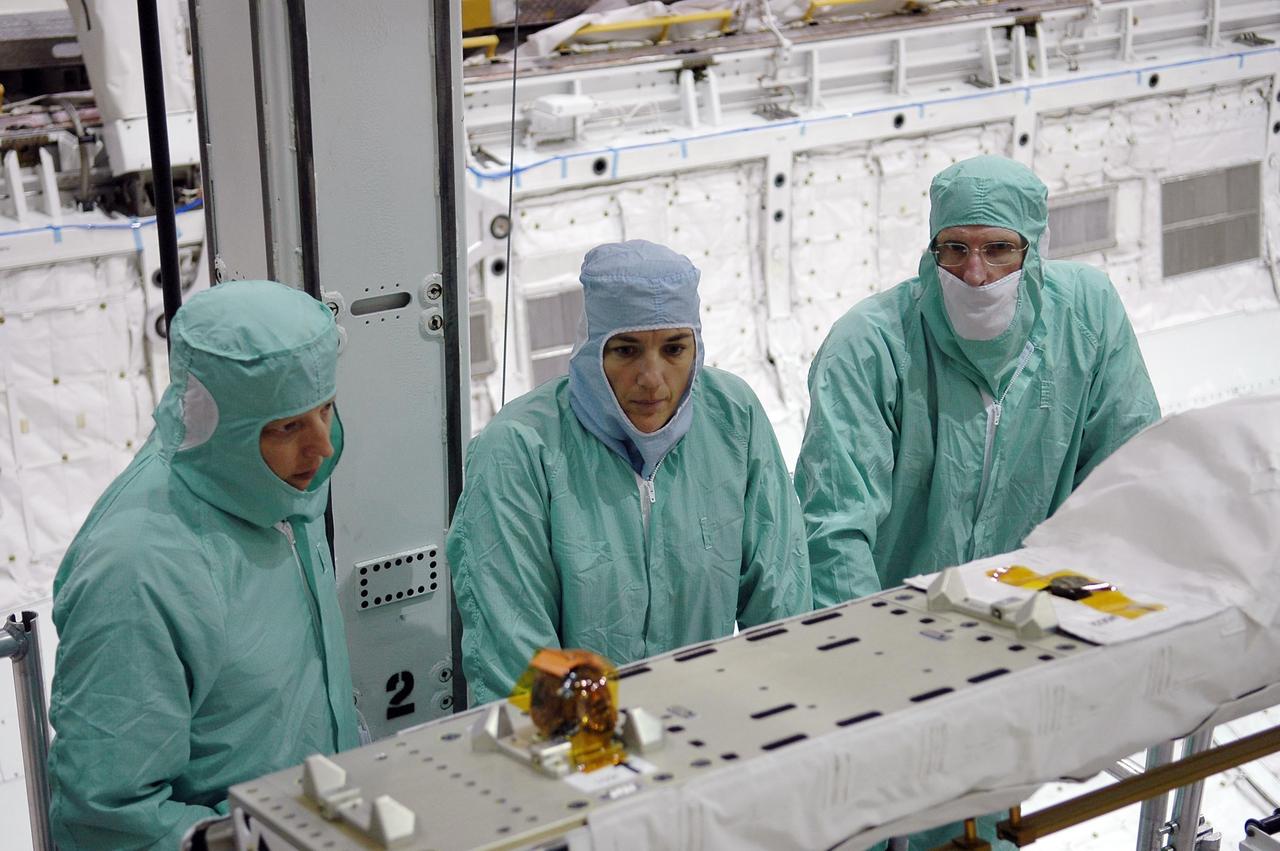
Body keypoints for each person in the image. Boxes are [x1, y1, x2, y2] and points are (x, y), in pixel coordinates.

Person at [794, 156, 1160, 850]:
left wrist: (1096, 626)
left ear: (1034, 249)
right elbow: (833, 528)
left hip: (1024, 637)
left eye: (999, 249)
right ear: (930, 249)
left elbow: (1128, 473)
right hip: (892, 642)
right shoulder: (871, 346)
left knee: (988, 813)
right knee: (881, 816)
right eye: (954, 249)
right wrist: (871, 672)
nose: (975, 273)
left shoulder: (1084, 317)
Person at [48, 280, 361, 849]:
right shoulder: (138, 573)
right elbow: (109, 817)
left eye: (326, 408)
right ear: (220, 429)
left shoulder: (274, 491)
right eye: (288, 426)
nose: (322, 446)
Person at [448, 239, 812, 706]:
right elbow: (517, 655)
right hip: (580, 739)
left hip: (713, 720)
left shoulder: (732, 418)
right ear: (591, 349)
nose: (652, 378)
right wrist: (606, 747)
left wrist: (780, 715)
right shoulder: (519, 449)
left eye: (674, 349)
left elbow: (781, 601)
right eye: (625, 350)